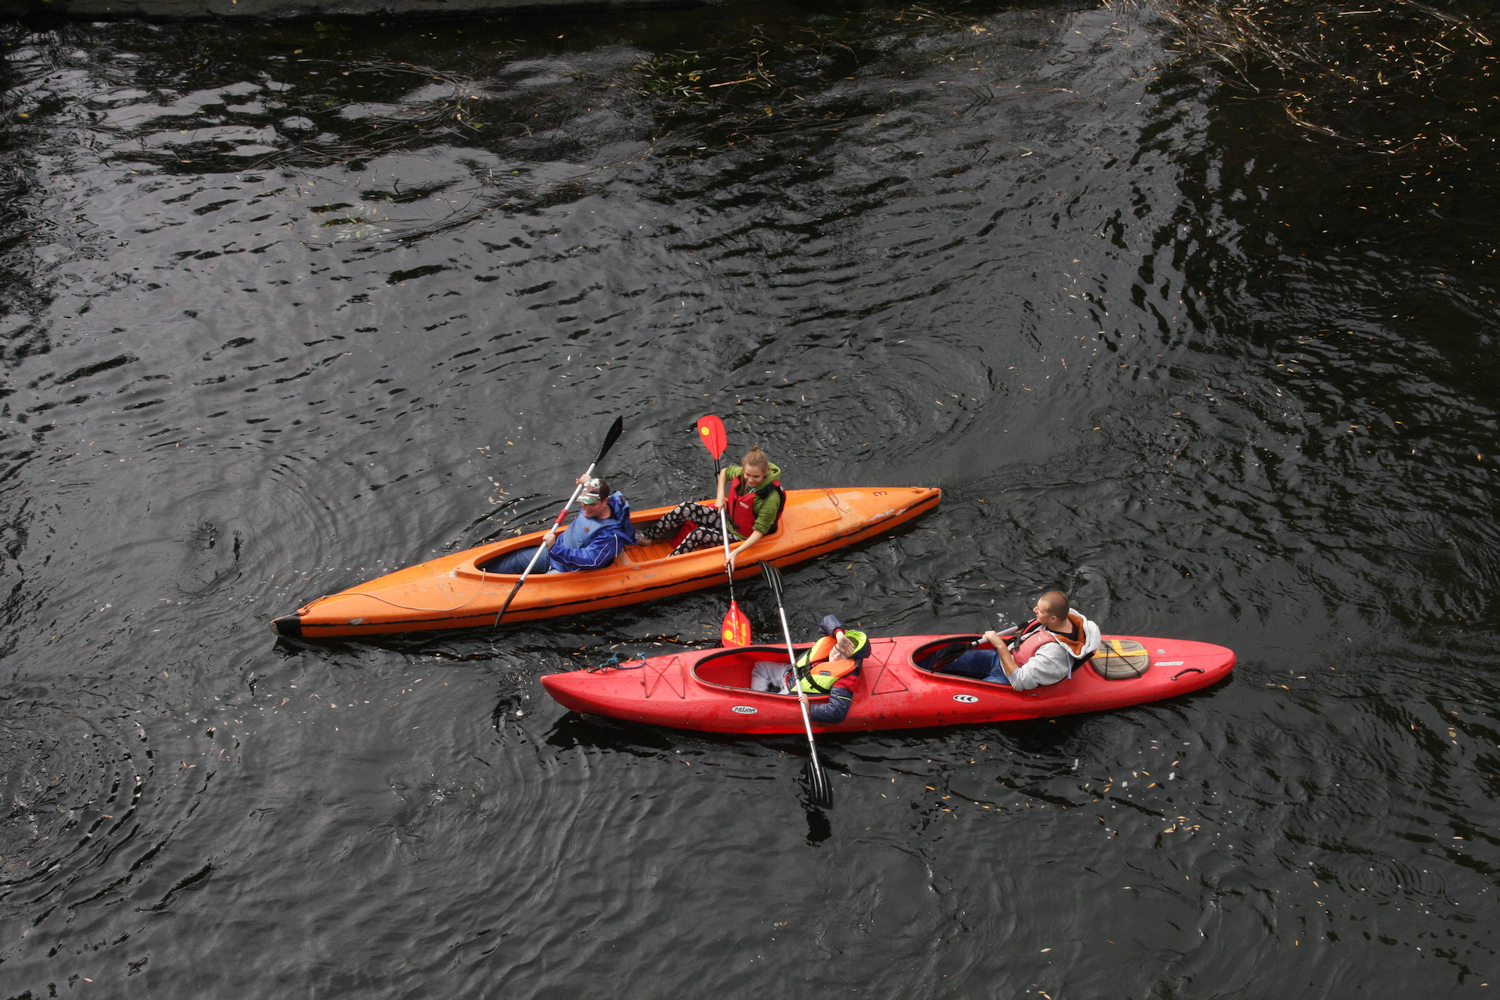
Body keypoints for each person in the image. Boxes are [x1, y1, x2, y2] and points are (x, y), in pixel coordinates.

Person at [636, 446, 785, 564]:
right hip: (728, 519)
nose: (750, 480)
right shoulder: (743, 472)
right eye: (747, 475)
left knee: (699, 534)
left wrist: (736, 552)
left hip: (742, 536)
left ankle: (669, 563)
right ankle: (648, 535)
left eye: (756, 477)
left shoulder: (770, 498)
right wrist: (720, 496)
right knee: (686, 508)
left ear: (765, 472)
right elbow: (725, 472)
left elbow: (759, 531)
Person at [939, 591, 1101, 690]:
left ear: (1053, 618)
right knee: (943, 658)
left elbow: (1018, 681)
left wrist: (999, 645)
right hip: (1002, 659)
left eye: (1040, 611)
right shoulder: (1059, 620)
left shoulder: (1054, 654)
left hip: (1009, 679)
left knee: (961, 692)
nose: (1034, 610)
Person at [482, 476, 636, 574]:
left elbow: (591, 560)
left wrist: (554, 548)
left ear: (605, 501)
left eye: (592, 504)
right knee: (516, 559)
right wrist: (589, 482)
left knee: (539, 589)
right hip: (555, 552)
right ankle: (485, 574)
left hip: (570, 570)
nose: (586, 508)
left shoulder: (610, 536)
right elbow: (597, 490)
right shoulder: (597, 502)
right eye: (584, 502)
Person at [749, 615, 870, 724]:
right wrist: (839, 634)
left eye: (843, 655)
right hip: (789, 673)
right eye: (837, 648)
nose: (836, 655)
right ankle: (759, 696)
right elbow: (827, 620)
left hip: (794, 693)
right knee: (761, 666)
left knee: (769, 705)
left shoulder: (845, 678)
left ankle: (760, 705)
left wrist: (810, 709)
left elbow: (837, 712)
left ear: (850, 659)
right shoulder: (834, 640)